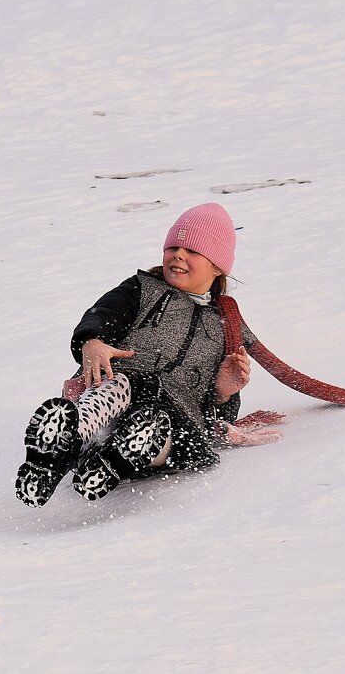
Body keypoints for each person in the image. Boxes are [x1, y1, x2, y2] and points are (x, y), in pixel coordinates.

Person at [15, 202, 256, 507]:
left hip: (173, 417)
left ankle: (120, 455)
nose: (178, 255)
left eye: (192, 251)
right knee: (116, 384)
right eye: (173, 247)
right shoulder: (141, 289)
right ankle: (68, 439)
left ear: (218, 267)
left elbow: (217, 419)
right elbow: (103, 313)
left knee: (171, 430)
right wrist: (92, 341)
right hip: (119, 394)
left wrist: (223, 393)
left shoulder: (226, 326)